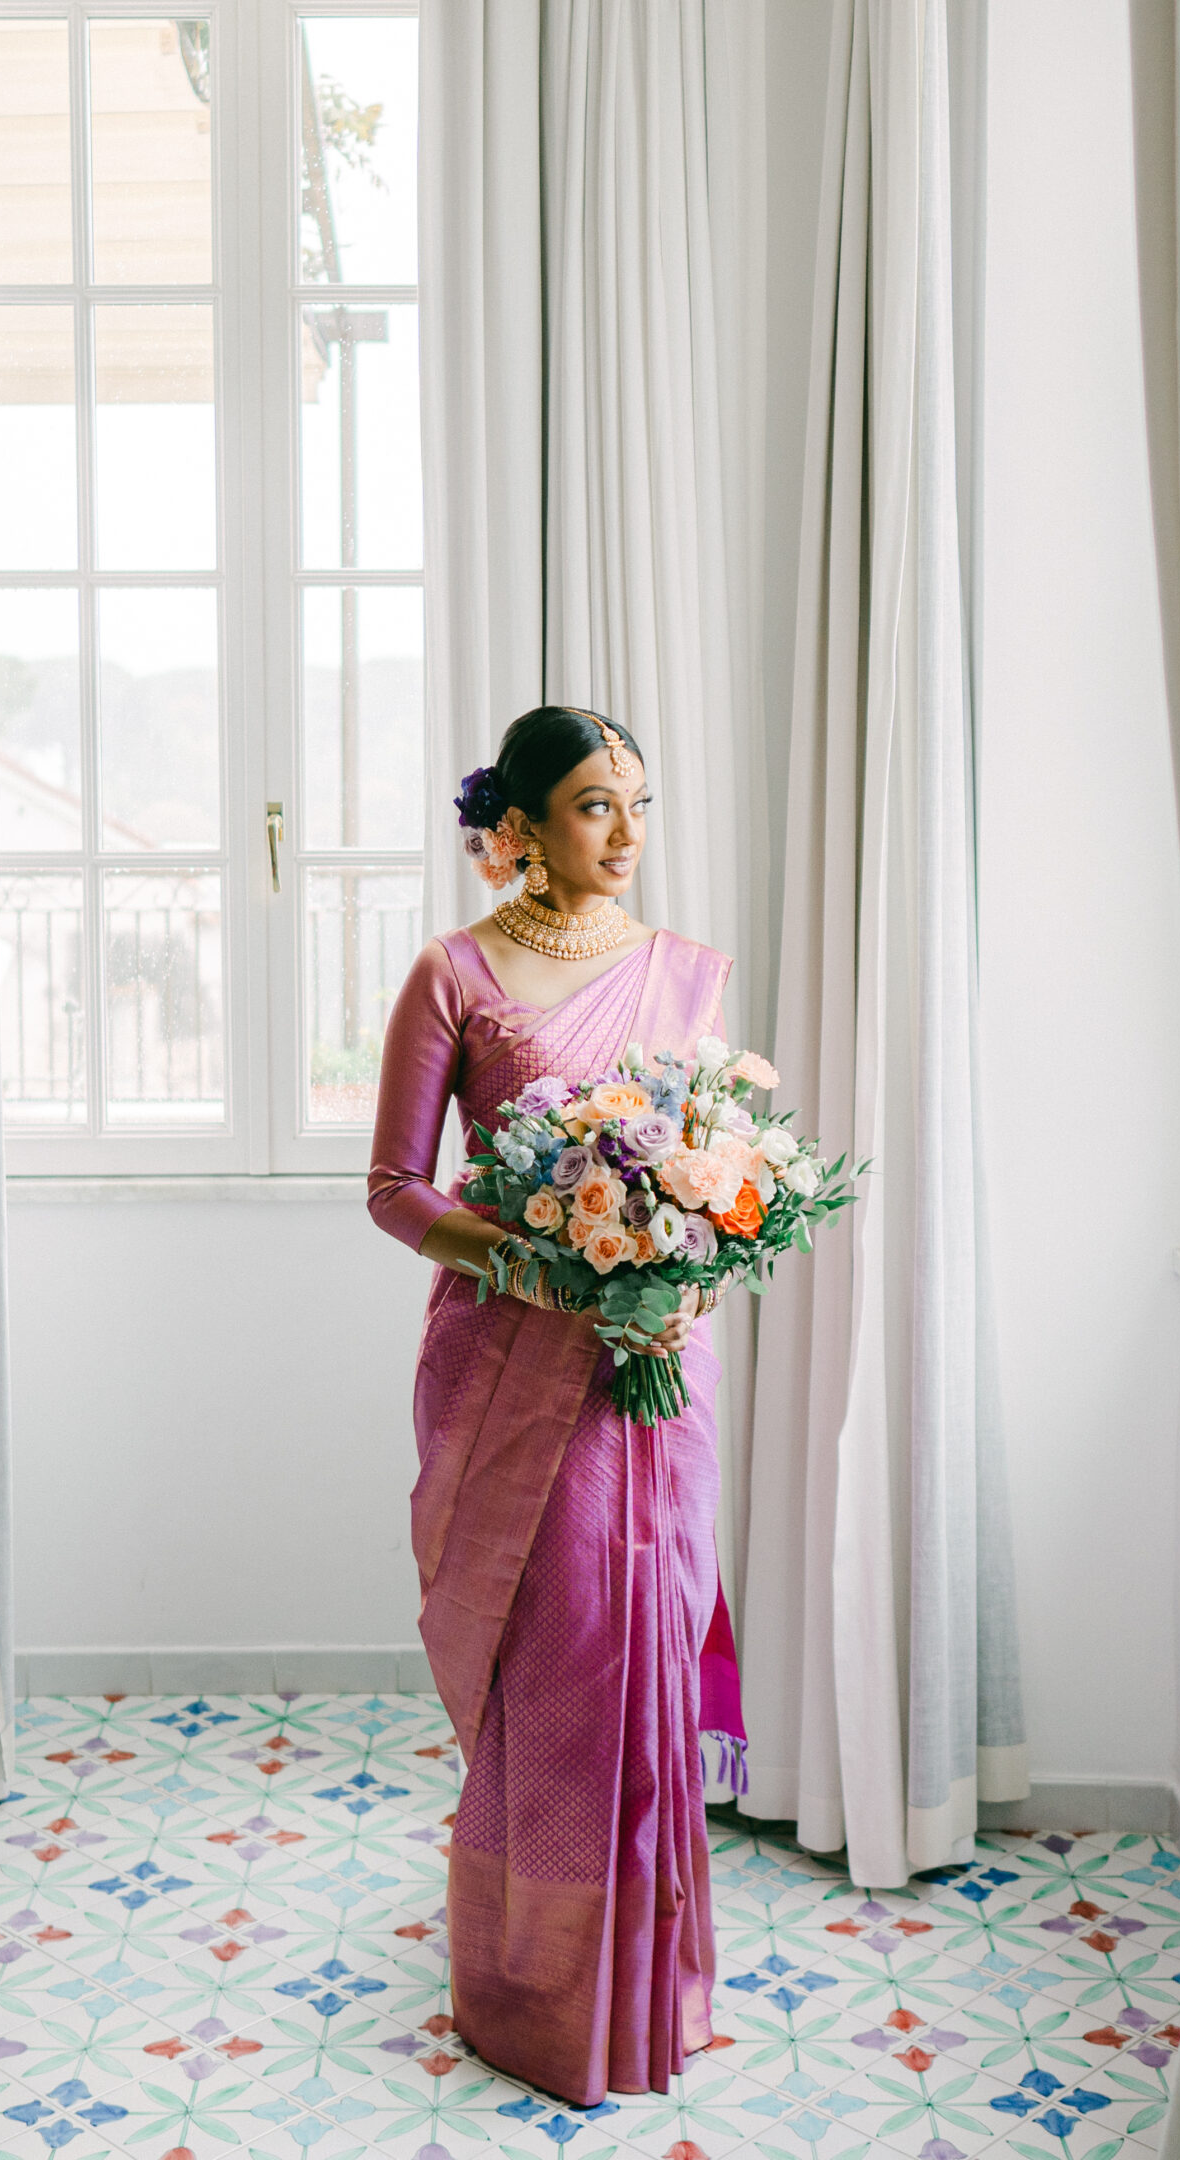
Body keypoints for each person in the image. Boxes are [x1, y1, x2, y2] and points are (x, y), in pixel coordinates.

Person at [367, 704, 746, 2107]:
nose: (629, 834)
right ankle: (535, 1986)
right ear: (518, 827)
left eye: (639, 803)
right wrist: (545, 1262)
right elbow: (396, 1190)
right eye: (597, 806)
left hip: (654, 1363)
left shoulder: (688, 975)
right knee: (559, 1653)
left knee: (648, 1635)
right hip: (512, 1359)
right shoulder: (454, 976)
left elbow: (718, 1162)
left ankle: (651, 1975)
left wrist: (688, 1255)